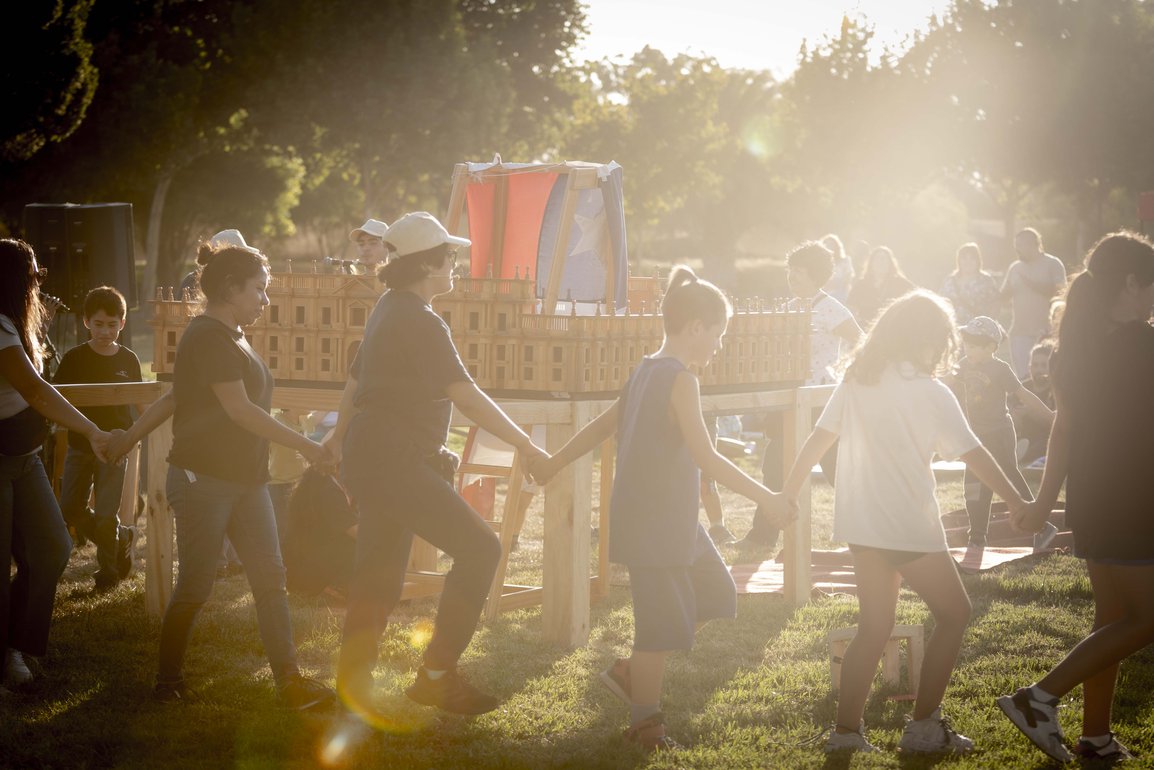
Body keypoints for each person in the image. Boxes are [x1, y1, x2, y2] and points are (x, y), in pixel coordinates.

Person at [534, 266, 791, 751]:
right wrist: (768, 498)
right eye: (718, 334)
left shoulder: (647, 368)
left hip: (674, 521)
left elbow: (601, 428)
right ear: (696, 327)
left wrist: (552, 461)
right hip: (655, 525)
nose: (719, 345)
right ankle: (645, 727)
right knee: (657, 629)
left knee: (717, 594)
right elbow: (706, 456)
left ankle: (632, 673)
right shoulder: (675, 378)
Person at [780, 291, 1029, 754]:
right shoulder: (931, 391)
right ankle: (923, 729)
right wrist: (1017, 500)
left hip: (860, 521)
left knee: (874, 627)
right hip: (904, 523)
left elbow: (818, 438)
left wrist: (788, 492)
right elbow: (973, 452)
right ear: (931, 340)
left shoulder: (857, 380)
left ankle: (846, 735)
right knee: (955, 614)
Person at [322, 211, 549, 718]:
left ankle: (353, 684)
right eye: (450, 257)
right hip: (392, 460)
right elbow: (465, 396)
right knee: (481, 548)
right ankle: (436, 676)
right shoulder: (420, 319)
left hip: (374, 453)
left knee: (379, 574)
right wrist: (527, 447)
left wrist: (339, 440)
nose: (457, 265)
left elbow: (356, 386)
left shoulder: (389, 306)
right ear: (428, 265)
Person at [107, 237, 335, 710]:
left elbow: (175, 398)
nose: (265, 299)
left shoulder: (231, 333)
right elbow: (239, 411)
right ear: (231, 288)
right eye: (259, 289)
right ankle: (167, 682)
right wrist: (308, 446)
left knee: (271, 577)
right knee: (196, 585)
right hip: (203, 481)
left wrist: (127, 439)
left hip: (246, 481)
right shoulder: (208, 335)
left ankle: (289, 682)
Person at [998, 231, 1154, 764]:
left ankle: (1096, 737)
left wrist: (1044, 505)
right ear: (1131, 283)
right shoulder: (1141, 343)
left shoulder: (1073, 349)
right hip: (1135, 497)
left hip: (1091, 497)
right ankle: (1037, 698)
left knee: (1111, 619)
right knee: (1146, 618)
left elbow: (1062, 430)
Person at [0, 239, 113, 689]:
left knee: (51, 547)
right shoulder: (0, 327)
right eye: (32, 276)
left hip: (24, 458)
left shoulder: (13, 323)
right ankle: (7, 659)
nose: (37, 284)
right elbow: (37, 392)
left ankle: (13, 646)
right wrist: (92, 430)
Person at [742, 241, 862, 550]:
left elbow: (862, 343)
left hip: (823, 400)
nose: (792, 277)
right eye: (789, 271)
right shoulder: (788, 309)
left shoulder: (833, 308)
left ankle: (865, 533)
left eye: (799, 272)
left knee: (838, 468)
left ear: (816, 275)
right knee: (774, 464)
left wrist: (848, 375)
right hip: (790, 399)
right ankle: (763, 535)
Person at [53, 286, 142, 592]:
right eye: (99, 324)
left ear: (122, 323)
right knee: (69, 507)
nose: (106, 331)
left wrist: (137, 434)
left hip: (115, 448)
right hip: (80, 444)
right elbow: (58, 398)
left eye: (112, 324)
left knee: (106, 513)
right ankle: (122, 539)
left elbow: (140, 402)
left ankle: (108, 571)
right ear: (86, 322)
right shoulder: (75, 358)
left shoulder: (128, 360)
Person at [948, 316, 1054, 549]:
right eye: (967, 344)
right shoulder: (963, 365)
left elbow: (1024, 395)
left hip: (999, 433)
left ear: (990, 347)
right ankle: (976, 537)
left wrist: (1051, 417)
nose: (969, 349)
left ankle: (1041, 525)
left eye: (975, 345)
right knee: (974, 487)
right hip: (975, 436)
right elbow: (945, 384)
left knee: (1009, 479)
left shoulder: (1000, 369)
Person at [1001, 228, 1067, 378]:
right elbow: (1004, 297)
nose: (1017, 249)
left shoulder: (1053, 263)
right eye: (1015, 245)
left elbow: (1060, 293)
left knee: (1049, 376)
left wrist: (1032, 284)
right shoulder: (1015, 267)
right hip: (1020, 333)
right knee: (1024, 379)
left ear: (1034, 244)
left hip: (1047, 332)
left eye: (1020, 245)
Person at [1011, 340, 1055, 466]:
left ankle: (1019, 455)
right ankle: (1016, 452)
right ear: (1029, 367)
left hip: (1045, 438)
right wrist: (1016, 418)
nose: (1039, 369)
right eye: (1035, 365)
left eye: (1043, 365)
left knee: (1043, 444)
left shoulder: (1055, 390)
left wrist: (1031, 412)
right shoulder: (1022, 388)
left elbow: (1054, 424)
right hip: (1023, 438)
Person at [847, 245, 916, 327]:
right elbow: (850, 306)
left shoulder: (900, 283)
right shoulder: (862, 284)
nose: (881, 262)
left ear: (890, 264)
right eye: (877, 259)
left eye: (884, 259)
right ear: (871, 263)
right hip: (866, 328)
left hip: (893, 327)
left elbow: (917, 296)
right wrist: (856, 322)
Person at [940, 242, 1001, 324]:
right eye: (964, 258)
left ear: (978, 260)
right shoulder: (949, 281)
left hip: (978, 330)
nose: (967, 262)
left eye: (972, 258)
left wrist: (987, 324)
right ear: (958, 260)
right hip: (954, 330)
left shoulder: (986, 280)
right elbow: (941, 303)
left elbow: (996, 304)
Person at [820, 233, 856, 306]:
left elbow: (848, 279)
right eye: (827, 245)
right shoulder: (819, 264)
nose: (829, 247)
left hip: (841, 295)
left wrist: (837, 284)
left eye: (831, 244)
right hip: (823, 295)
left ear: (837, 247)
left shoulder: (846, 261)